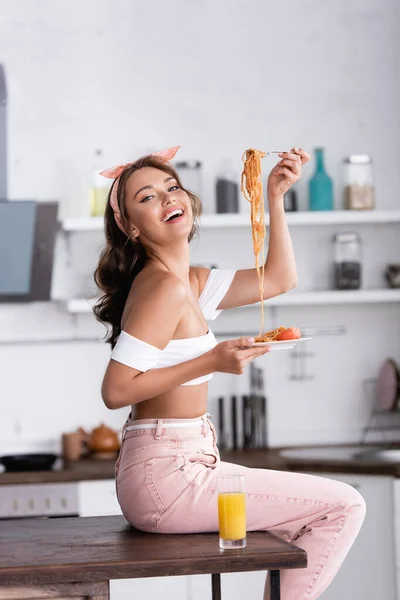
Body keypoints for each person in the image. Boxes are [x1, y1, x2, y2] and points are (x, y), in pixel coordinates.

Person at [93, 145, 366, 600]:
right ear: (129, 226)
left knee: (327, 508)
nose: (166, 198)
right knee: (342, 506)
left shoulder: (189, 281)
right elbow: (116, 390)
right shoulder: (163, 287)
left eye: (171, 187)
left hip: (182, 463)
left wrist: (274, 196)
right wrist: (212, 360)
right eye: (146, 197)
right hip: (168, 474)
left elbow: (277, 278)